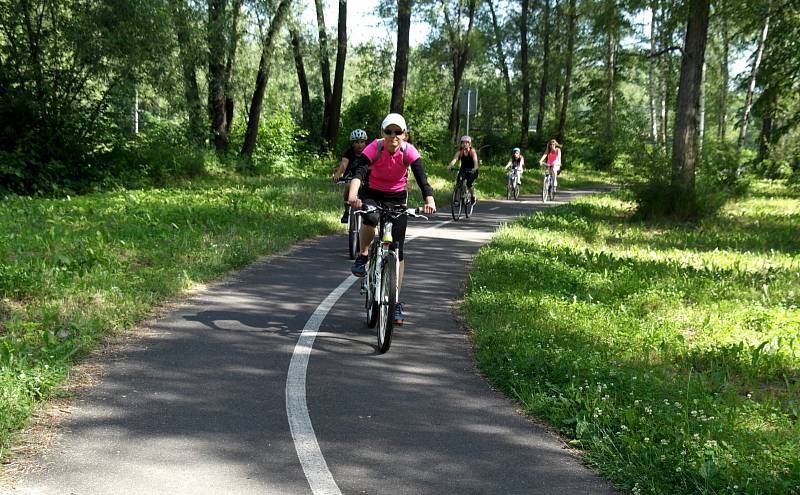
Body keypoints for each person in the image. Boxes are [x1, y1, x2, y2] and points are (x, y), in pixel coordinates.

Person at [347, 113, 436, 326]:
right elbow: (359, 171)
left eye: (398, 132)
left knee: (398, 248)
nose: (393, 136)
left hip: (397, 198)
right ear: (382, 133)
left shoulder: (409, 151)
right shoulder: (374, 148)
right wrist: (353, 195)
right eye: (389, 132)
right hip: (373, 193)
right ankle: (364, 254)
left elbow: (422, 179)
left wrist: (429, 200)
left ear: (404, 135)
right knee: (371, 218)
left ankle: (395, 302)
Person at [332, 129, 368, 223]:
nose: (359, 144)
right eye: (356, 142)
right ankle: (347, 212)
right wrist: (337, 174)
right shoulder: (349, 152)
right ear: (352, 143)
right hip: (351, 175)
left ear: (365, 142)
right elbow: (344, 164)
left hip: (365, 176)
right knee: (348, 186)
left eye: (362, 142)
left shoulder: (369, 152)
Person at [447, 135, 480, 205]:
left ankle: (473, 196)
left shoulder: (472, 151)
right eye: (463, 142)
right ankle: (457, 200)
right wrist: (450, 166)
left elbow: (475, 162)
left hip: (472, 170)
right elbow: (454, 159)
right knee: (459, 183)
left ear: (469, 144)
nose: (464, 144)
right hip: (463, 170)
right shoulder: (460, 152)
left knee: (469, 183)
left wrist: (475, 168)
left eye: (466, 142)